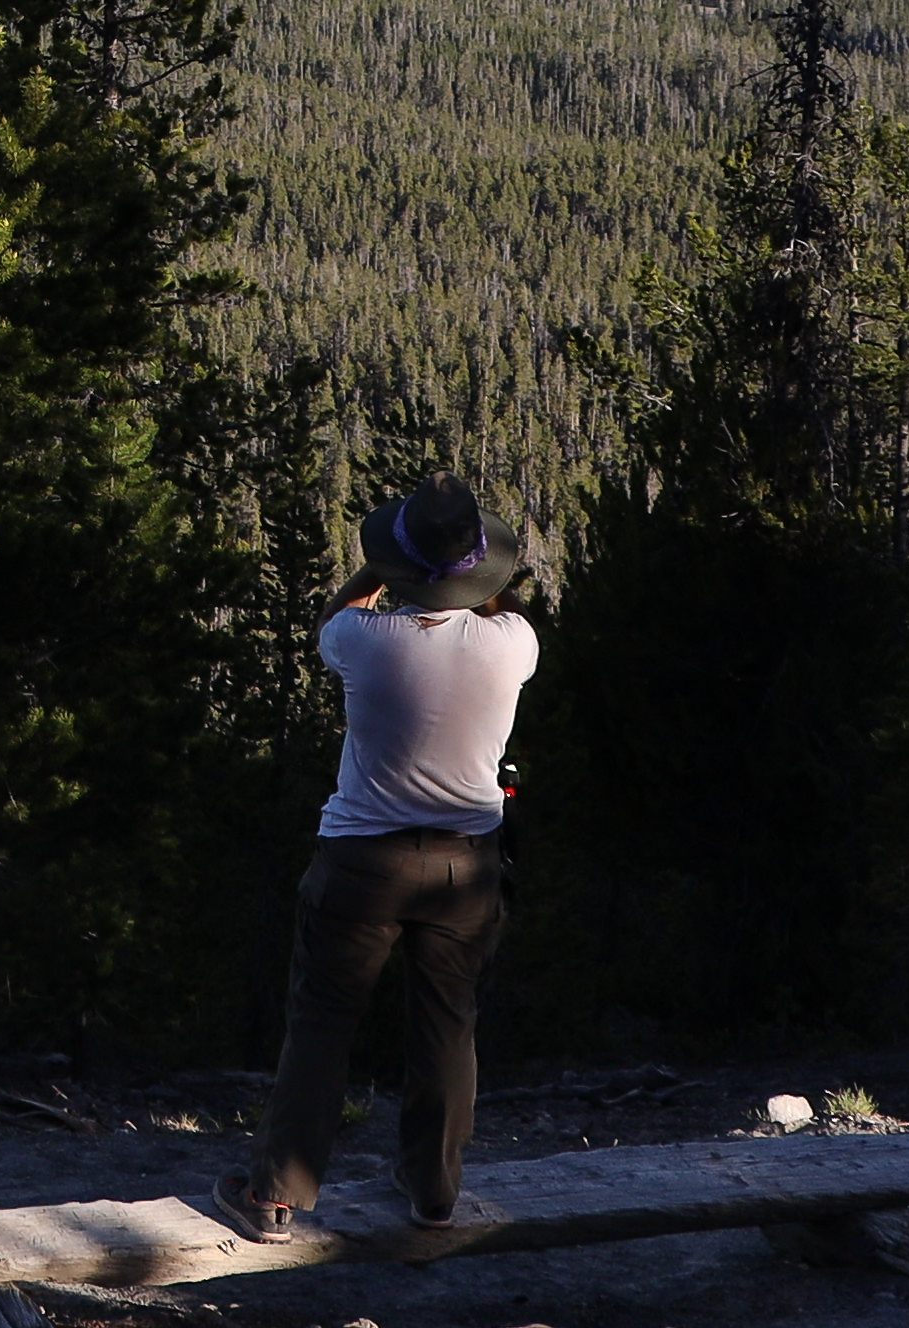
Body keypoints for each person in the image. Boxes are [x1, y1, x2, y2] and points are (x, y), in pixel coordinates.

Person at [214, 473, 537, 1243]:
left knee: (322, 1024)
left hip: (362, 860)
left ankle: (275, 1196)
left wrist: (380, 570)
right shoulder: (512, 644)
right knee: (448, 1027)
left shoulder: (361, 640)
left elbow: (338, 615)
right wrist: (473, 578)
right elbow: (498, 607)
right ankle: (433, 1193)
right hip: (466, 864)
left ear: (398, 569)